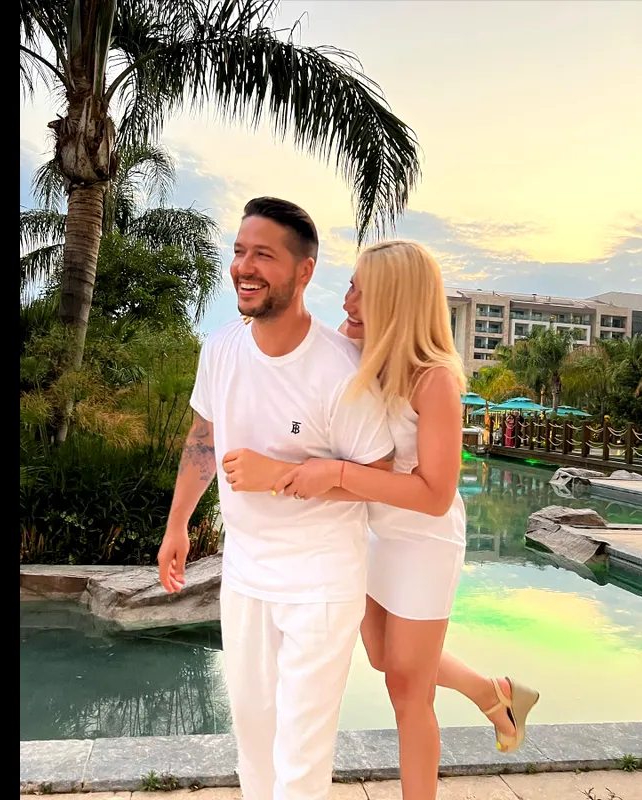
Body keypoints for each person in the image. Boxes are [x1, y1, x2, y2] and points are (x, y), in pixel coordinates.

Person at [222, 241, 540, 800]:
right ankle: (495, 692)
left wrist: (336, 473)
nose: (347, 301)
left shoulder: (434, 380)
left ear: (396, 301)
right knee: (382, 658)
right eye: (350, 286)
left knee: (408, 693)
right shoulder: (354, 352)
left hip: (422, 544)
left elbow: (435, 494)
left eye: (362, 292)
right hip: (369, 533)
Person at [157, 197, 397, 800]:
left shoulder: (341, 368)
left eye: (263, 255)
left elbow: (380, 471)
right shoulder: (221, 349)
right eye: (240, 251)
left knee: (300, 760)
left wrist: (285, 475)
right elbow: (203, 439)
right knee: (255, 748)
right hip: (245, 576)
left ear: (304, 270)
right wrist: (177, 524)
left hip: (321, 582)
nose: (244, 267)